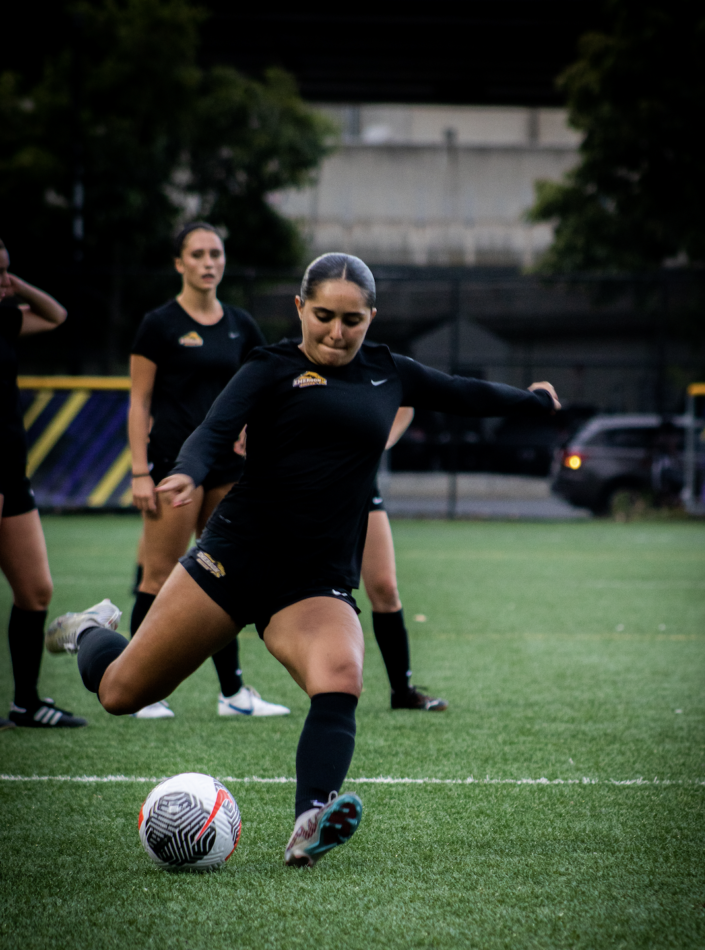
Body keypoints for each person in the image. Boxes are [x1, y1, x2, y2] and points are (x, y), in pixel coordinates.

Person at [45, 252, 559, 868]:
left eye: (352, 320)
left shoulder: (388, 371)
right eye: (323, 316)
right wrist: (186, 472)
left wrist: (531, 401)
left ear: (372, 317)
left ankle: (309, 820)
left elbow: (463, 393)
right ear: (300, 308)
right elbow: (213, 429)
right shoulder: (270, 367)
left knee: (340, 676)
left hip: (314, 580)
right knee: (120, 693)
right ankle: (90, 632)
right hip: (235, 561)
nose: (336, 333)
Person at [127, 220, 289, 720]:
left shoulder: (242, 324)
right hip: (175, 466)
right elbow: (139, 402)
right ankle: (138, 688)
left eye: (215, 253)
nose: (208, 262)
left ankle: (233, 694)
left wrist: (251, 428)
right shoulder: (158, 324)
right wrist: (139, 472)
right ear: (180, 263)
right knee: (158, 575)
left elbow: (262, 389)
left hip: (228, 468)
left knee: (226, 574)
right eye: (197, 254)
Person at [0, 238, 86, 729]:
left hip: (13, 471)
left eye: (6, 271)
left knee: (35, 591)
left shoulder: (5, 316)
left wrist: (16, 285)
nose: (3, 282)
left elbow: (56, 316)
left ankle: (26, 704)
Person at [362, 411, 448, 711]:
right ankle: (233, 689)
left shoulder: (376, 365)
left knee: (384, 587)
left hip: (359, 480)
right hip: (304, 483)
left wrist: (382, 438)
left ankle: (402, 691)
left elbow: (407, 402)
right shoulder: (298, 365)